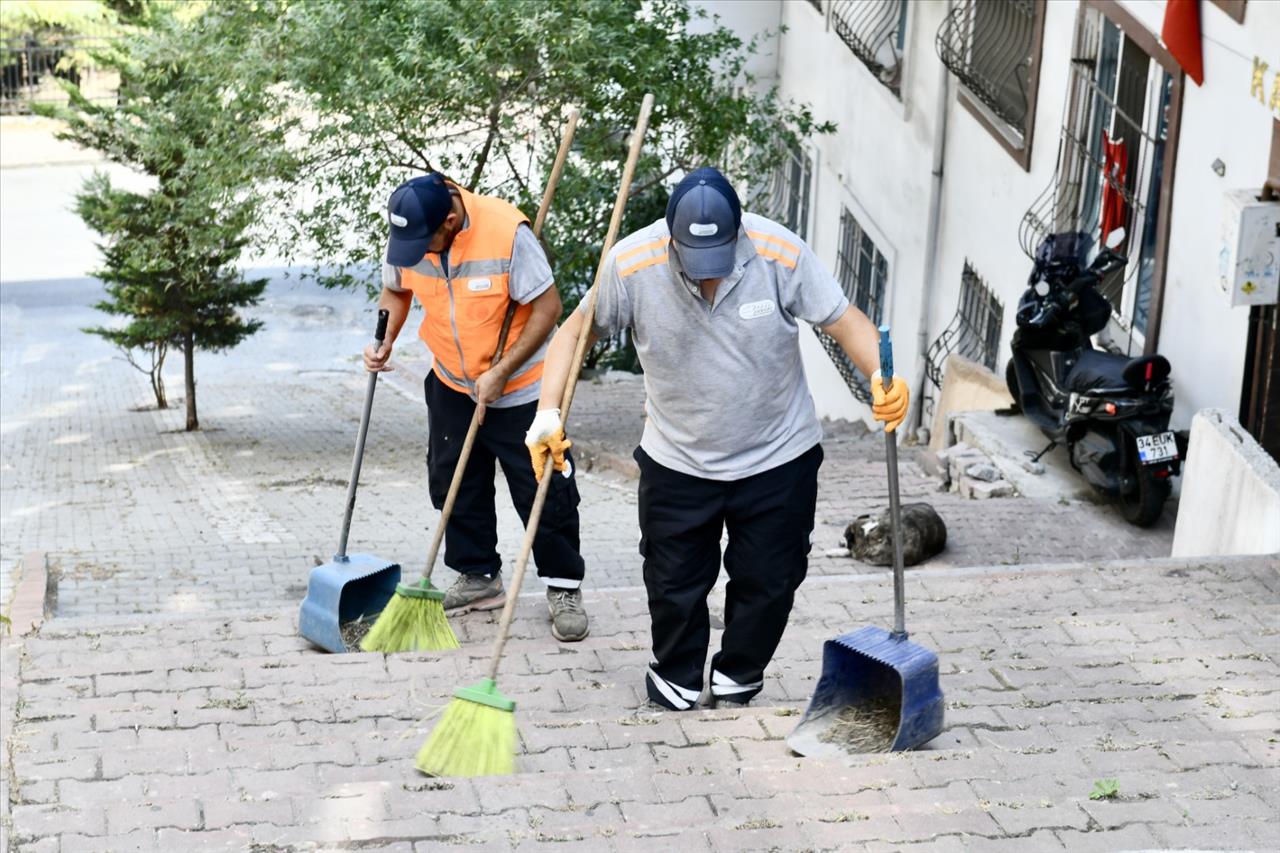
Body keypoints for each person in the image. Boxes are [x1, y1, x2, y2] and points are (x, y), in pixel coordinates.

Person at [527, 167, 907, 707]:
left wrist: (881, 378)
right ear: (671, 238)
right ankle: (678, 677)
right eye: (693, 261)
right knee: (673, 582)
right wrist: (546, 414)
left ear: (739, 234)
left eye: (718, 260)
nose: (707, 278)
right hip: (678, 456)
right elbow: (574, 333)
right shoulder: (633, 262)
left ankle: (738, 675)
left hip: (778, 453)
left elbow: (844, 320)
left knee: (770, 579)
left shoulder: (779, 251)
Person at [364, 172, 589, 642]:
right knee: (451, 481)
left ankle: (563, 585)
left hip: (523, 387)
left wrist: (503, 371)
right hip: (451, 379)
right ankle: (478, 575)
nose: (418, 252)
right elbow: (396, 291)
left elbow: (549, 309)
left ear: (450, 219)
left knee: (542, 488)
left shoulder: (507, 233)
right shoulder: (410, 234)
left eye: (426, 242)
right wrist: (384, 341)